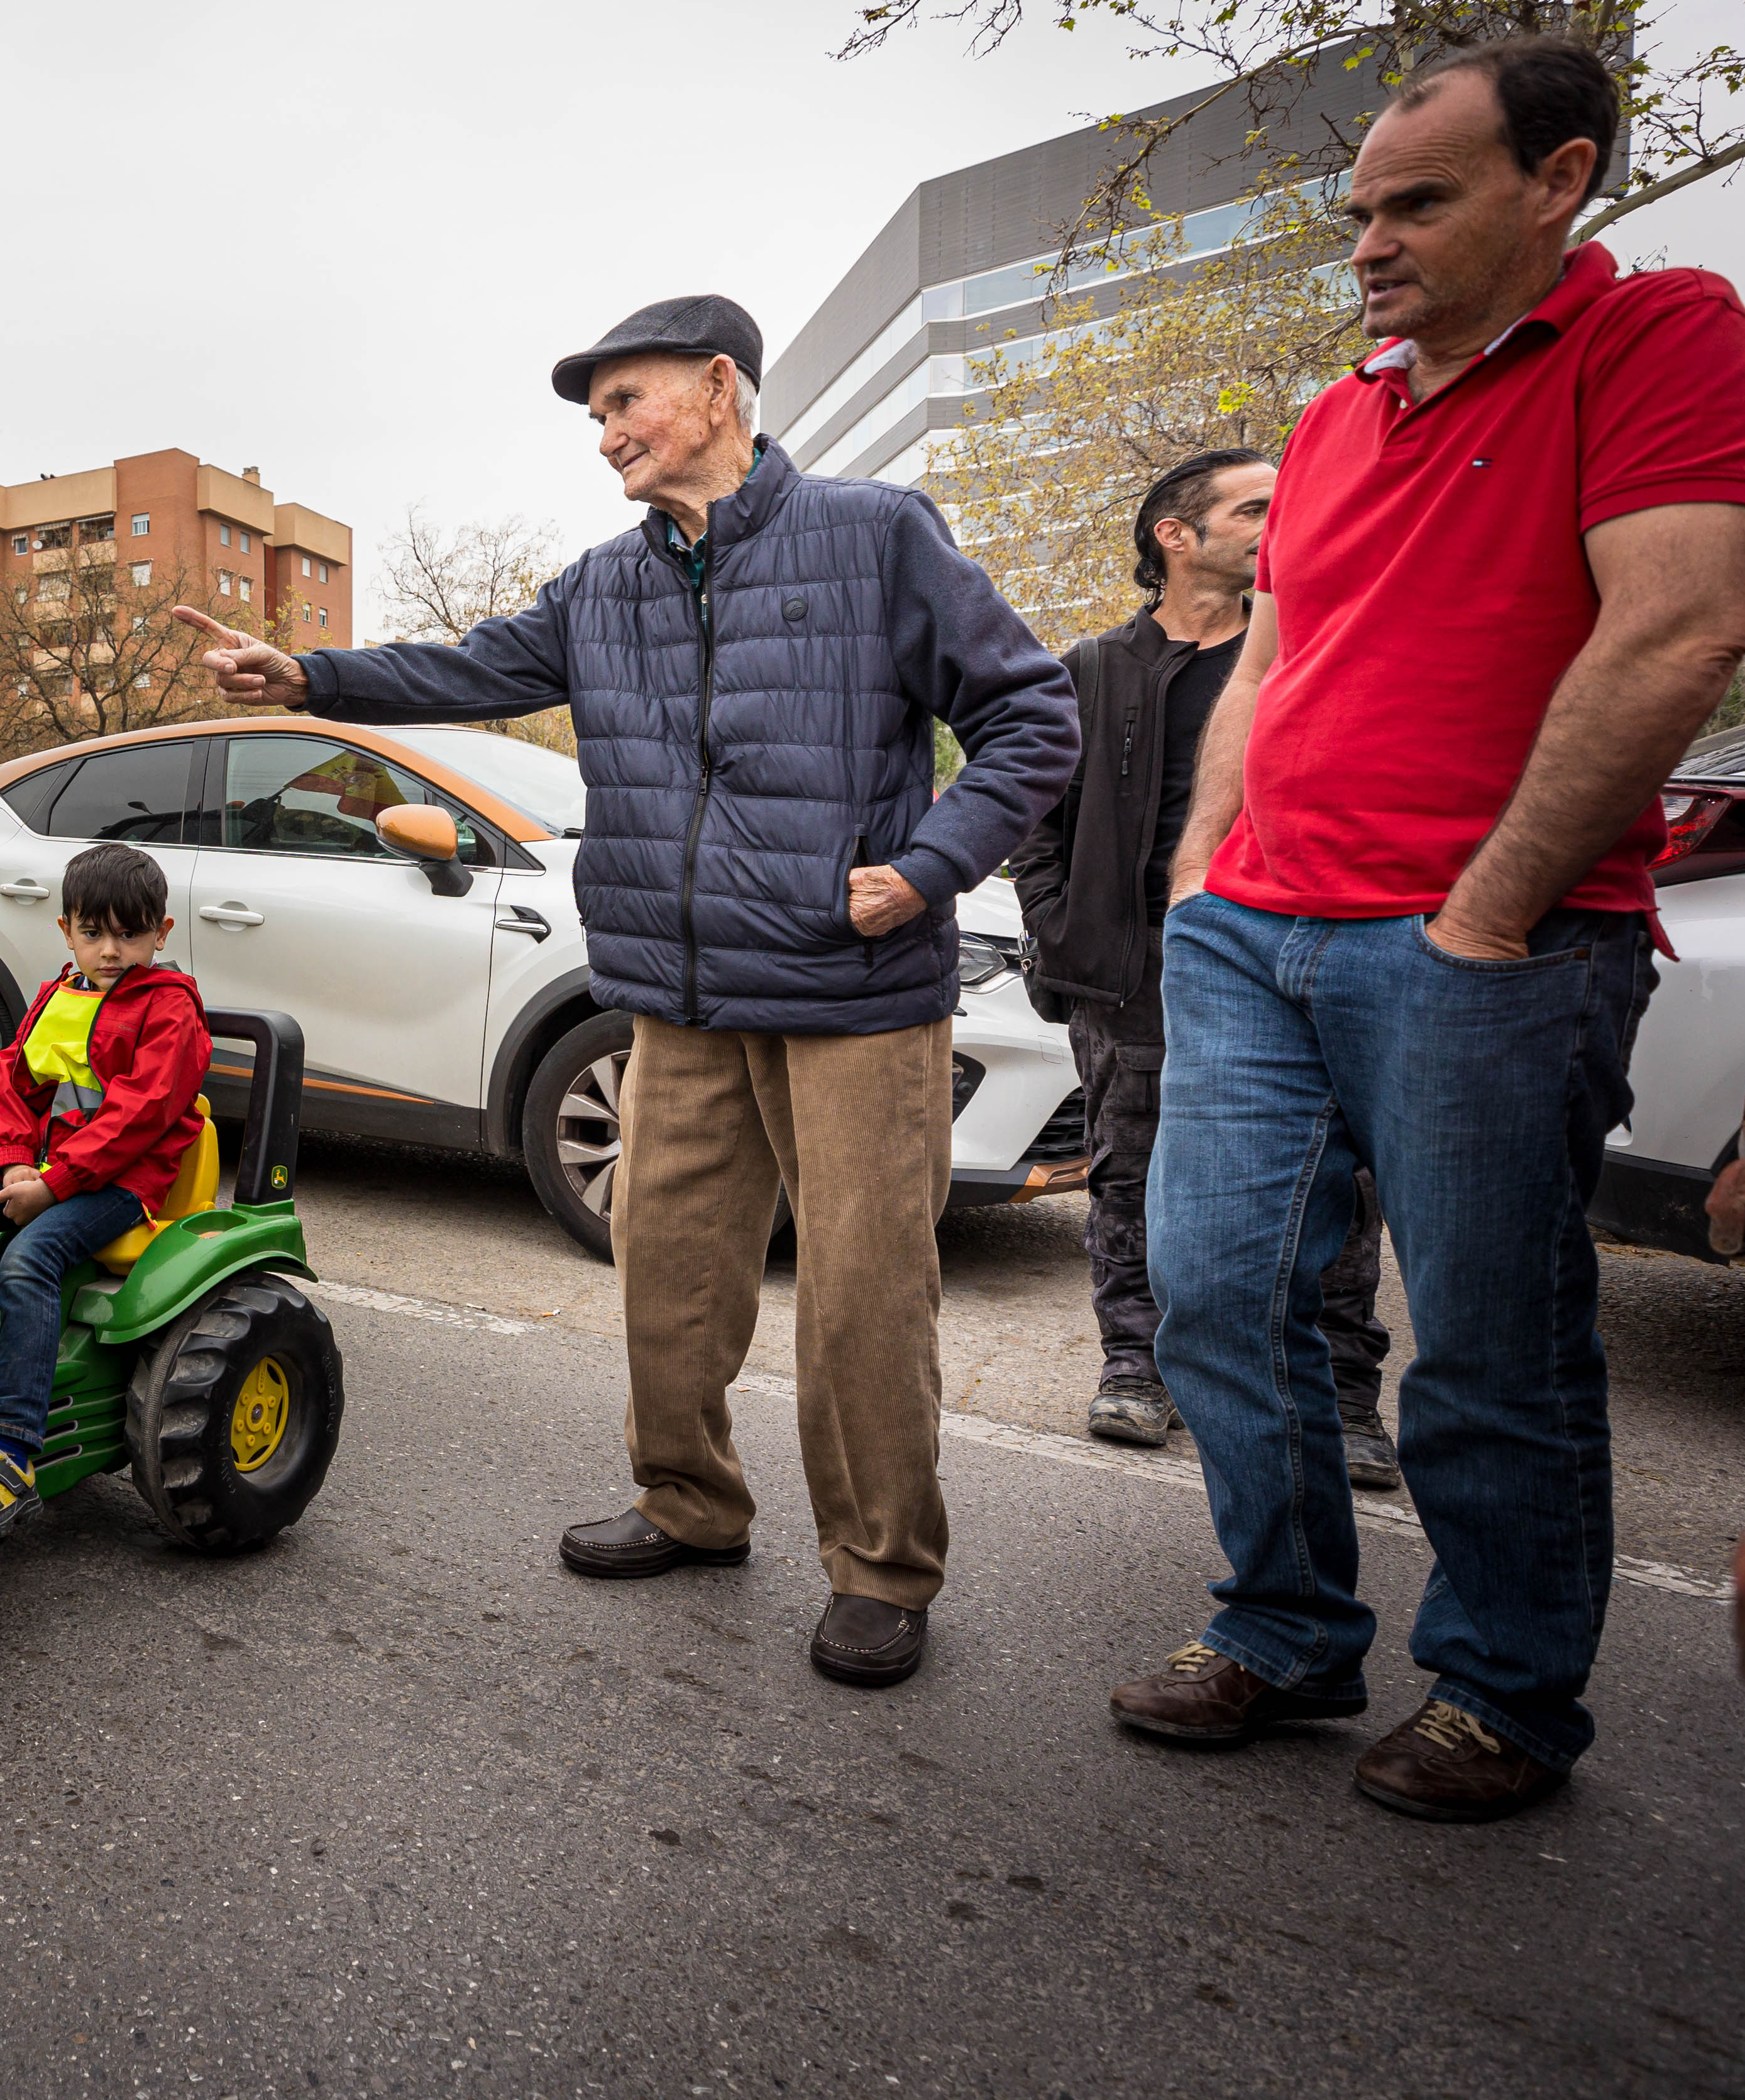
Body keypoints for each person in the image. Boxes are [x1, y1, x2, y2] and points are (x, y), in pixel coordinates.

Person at [175, 294, 1077, 1690]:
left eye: (624, 404)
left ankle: (883, 1568)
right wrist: (309, 673)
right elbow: (465, 668)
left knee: (861, 1298)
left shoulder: (878, 535)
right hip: (675, 988)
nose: (604, 437)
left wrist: (926, 867)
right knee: (667, 1266)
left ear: (720, 389)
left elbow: (1033, 717)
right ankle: (692, 1501)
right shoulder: (607, 582)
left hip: (852, 989)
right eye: (597, 415)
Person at [1111, 37, 1745, 1822]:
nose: (1371, 245)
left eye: (1420, 203)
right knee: (1213, 1302)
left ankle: (1503, 1690)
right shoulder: (1336, 417)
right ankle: (1281, 1629)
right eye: (1362, 213)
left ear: (1556, 183)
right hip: (1255, 931)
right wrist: (1202, 868)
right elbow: (1274, 654)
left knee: (1489, 1345)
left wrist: (1488, 913)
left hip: (1493, 947)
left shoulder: (1664, 340)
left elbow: (1682, 629)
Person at [1008, 452, 1399, 1487]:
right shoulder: (1090, 669)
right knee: (1129, 1174)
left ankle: (1345, 1398)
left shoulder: (1313, 652)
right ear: (1174, 537)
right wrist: (1065, 932)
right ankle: (1136, 1366)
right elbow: (1033, 824)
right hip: (1131, 970)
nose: (1280, 520)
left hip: (1290, 956)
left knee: (1336, 1181)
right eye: (1253, 508)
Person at [0, 842, 211, 1548]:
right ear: (67, 930)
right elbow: (12, 1081)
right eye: (94, 933)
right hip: (41, 1168)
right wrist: (13, 1163)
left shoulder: (169, 1013)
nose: (111, 950)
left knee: (30, 1260)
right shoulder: (58, 998)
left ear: (160, 934)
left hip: (123, 1184)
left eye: (129, 934)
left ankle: (12, 1451)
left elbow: (138, 1117)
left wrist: (53, 1184)